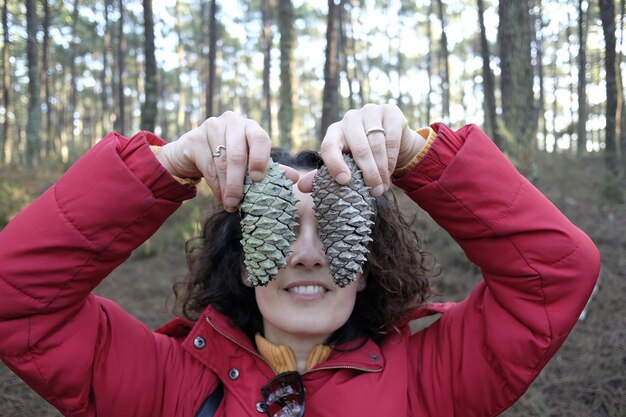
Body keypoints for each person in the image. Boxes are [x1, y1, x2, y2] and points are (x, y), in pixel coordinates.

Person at [0, 104, 600, 417]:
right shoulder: (166, 388)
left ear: (365, 267)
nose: (308, 255)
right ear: (240, 264)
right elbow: (17, 296)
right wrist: (168, 165)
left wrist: (423, 158)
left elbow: (556, 271)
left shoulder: (432, 383)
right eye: (281, 230)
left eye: (332, 229)